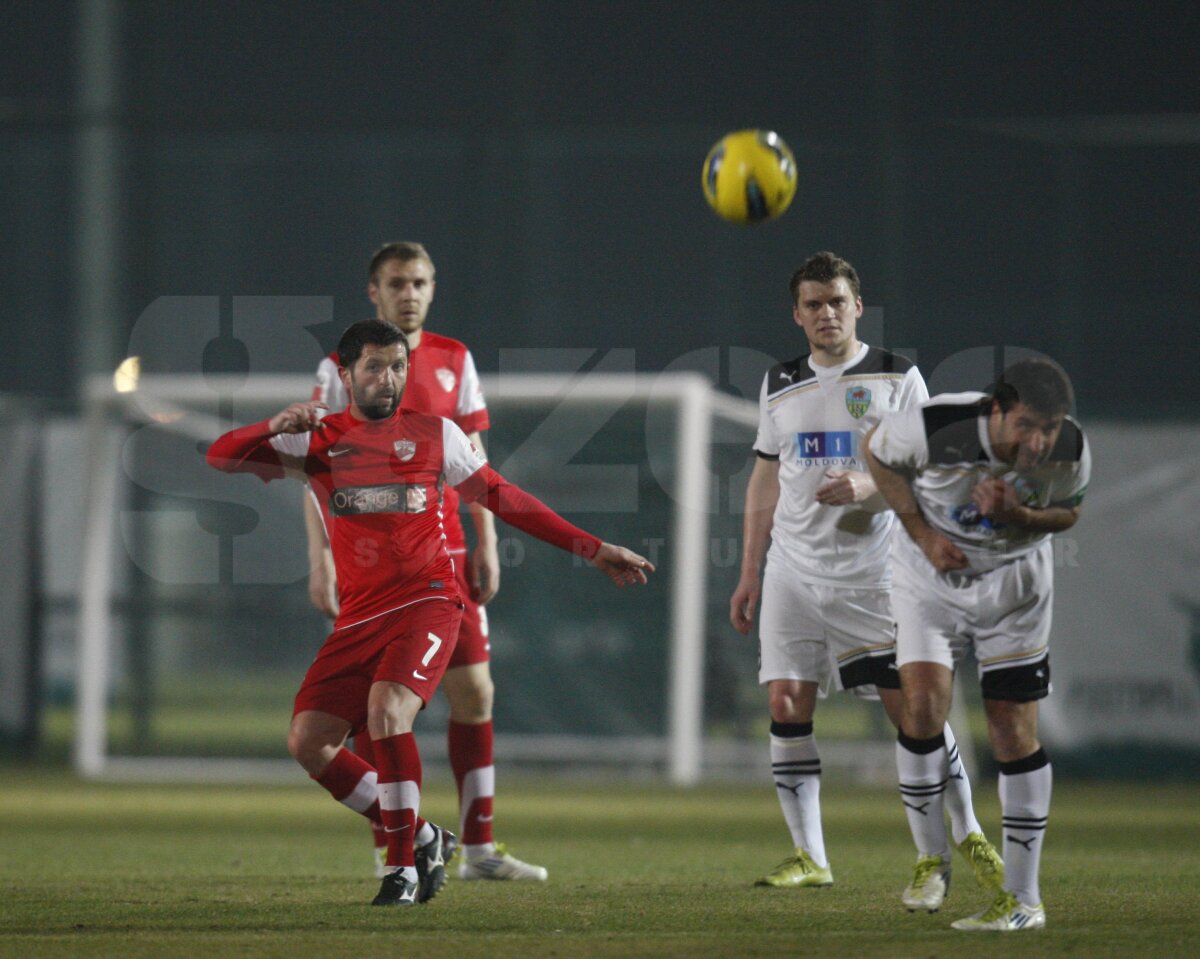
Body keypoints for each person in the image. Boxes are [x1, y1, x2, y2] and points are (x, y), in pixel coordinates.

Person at [209, 319, 654, 906]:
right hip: (359, 618)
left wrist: (593, 549)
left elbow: (505, 497)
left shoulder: (435, 434)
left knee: (388, 711)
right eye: (373, 366)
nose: (388, 378)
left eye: (397, 367)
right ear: (344, 375)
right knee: (308, 741)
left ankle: (402, 870)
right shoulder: (315, 442)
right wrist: (272, 425)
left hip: (428, 602)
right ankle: (422, 834)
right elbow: (221, 457)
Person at [730, 251, 1000, 903]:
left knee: (913, 713)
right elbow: (766, 475)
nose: (827, 313)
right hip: (794, 570)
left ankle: (960, 832)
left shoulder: (895, 376)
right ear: (797, 315)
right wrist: (749, 571)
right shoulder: (780, 382)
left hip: (876, 575)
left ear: (858, 307)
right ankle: (810, 854)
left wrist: (867, 483)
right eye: (814, 303)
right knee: (786, 702)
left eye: (837, 301)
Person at [304, 242, 546, 881]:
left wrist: (487, 541)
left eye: (419, 282)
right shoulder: (342, 368)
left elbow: (477, 457)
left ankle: (479, 850)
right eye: (395, 282)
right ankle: (396, 842)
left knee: (475, 692)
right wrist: (321, 557)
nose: (408, 293)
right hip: (372, 561)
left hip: (447, 555)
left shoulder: (453, 358)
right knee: (374, 699)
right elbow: (318, 466)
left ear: (433, 289)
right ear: (373, 291)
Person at [865, 356, 1090, 931]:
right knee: (921, 708)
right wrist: (923, 536)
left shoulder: (1071, 446)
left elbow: (1070, 511)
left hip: (1014, 586)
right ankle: (932, 860)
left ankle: (1022, 900)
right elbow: (877, 452)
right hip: (929, 579)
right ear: (997, 410)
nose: (1039, 442)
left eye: (1050, 426)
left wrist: (1023, 513)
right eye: (1028, 425)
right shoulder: (939, 425)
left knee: (1012, 730)